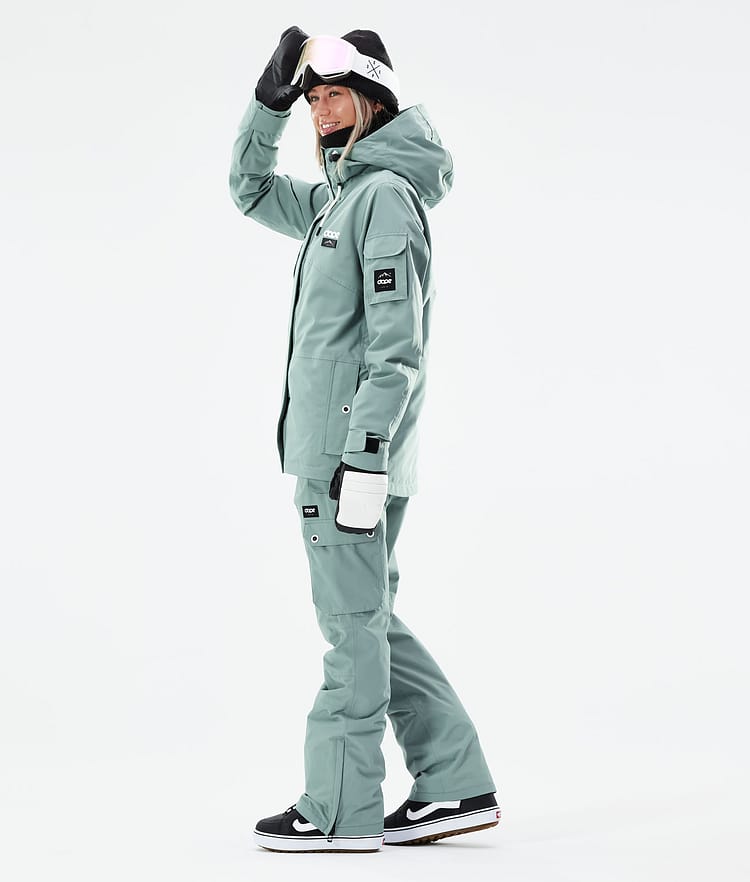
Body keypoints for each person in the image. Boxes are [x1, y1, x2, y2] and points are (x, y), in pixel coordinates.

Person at [229, 26, 499, 854]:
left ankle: (341, 809)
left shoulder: (381, 197)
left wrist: (363, 457)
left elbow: (396, 347)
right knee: (369, 618)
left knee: (350, 628)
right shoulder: (338, 198)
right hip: (344, 452)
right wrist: (267, 106)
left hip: (349, 457)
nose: (320, 109)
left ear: (375, 100)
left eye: (334, 95)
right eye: (312, 97)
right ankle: (455, 782)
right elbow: (249, 189)